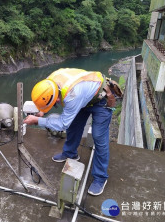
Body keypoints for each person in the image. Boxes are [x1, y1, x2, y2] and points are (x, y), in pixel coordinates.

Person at [23, 68, 122, 196]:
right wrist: (42, 110)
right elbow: (51, 100)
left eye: (56, 101)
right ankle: (70, 153)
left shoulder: (71, 96)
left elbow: (62, 124)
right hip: (84, 98)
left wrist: (38, 120)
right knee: (74, 127)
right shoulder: (49, 83)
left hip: (101, 100)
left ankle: (100, 178)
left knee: (99, 137)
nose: (58, 102)